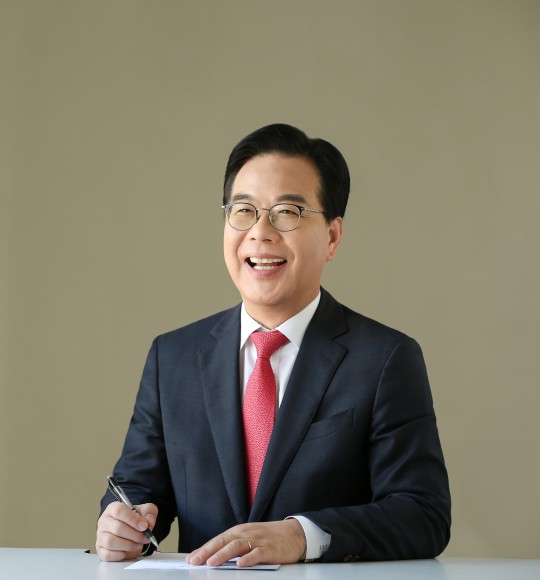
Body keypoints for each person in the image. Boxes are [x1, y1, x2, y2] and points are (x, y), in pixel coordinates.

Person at [96, 123, 451, 565]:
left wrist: (301, 536)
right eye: (244, 211)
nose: (260, 233)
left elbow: (423, 514)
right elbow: (137, 490)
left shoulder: (384, 359)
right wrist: (122, 525)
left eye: (287, 212)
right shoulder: (173, 357)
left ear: (332, 237)